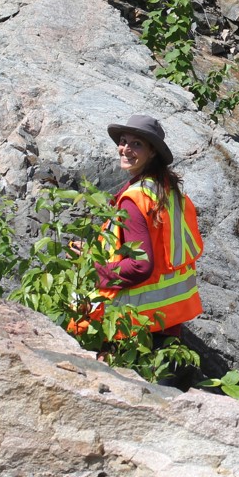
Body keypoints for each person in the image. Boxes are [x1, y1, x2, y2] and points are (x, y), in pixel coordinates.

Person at [95, 114, 203, 339]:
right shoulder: (170, 191)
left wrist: (93, 271)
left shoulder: (134, 199)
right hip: (169, 317)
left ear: (152, 152)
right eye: (123, 141)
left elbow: (140, 266)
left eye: (136, 144)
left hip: (132, 323)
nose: (125, 149)